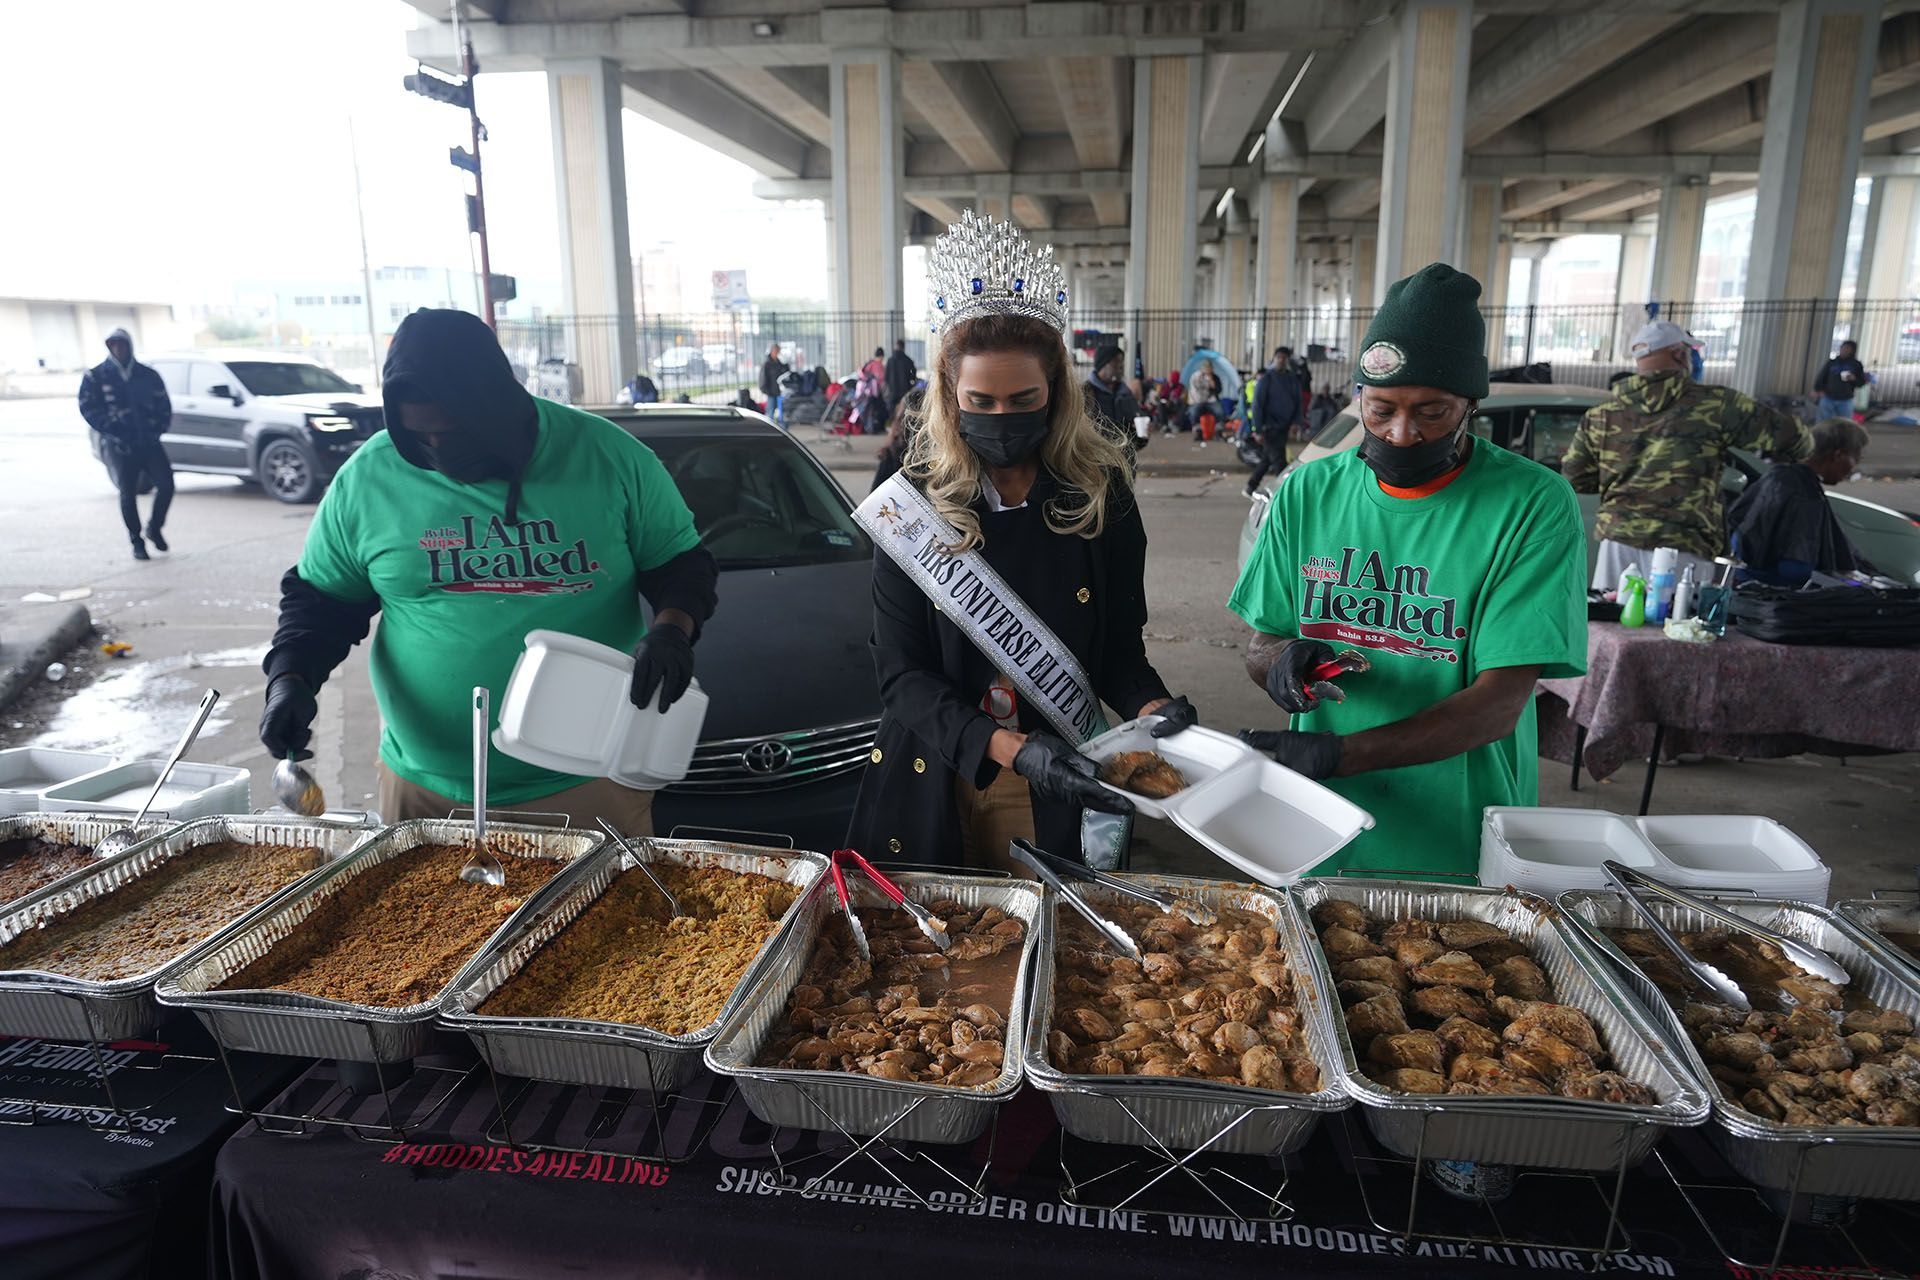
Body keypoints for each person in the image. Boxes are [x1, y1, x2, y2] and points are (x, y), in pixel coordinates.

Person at [257, 309, 719, 832]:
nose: (438, 451)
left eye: (454, 433)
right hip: (425, 787)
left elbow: (681, 563)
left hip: (588, 779)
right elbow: (320, 605)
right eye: (418, 436)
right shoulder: (368, 479)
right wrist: (291, 678)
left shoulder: (608, 457)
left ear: (501, 406)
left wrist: (672, 630)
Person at [847, 212, 1196, 873]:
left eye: (1022, 399)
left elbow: (1120, 651)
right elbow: (902, 677)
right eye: (981, 400)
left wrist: (1153, 707)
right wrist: (1007, 747)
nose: (1001, 418)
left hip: (1060, 778)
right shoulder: (911, 503)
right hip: (941, 771)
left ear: (1056, 392)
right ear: (950, 397)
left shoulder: (1101, 494)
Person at [1229, 263, 1586, 880]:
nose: (1401, 432)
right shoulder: (1309, 492)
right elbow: (1261, 641)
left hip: (1457, 838)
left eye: (1433, 412)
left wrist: (1343, 754)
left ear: (1471, 405)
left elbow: (1498, 704)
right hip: (1319, 830)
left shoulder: (1531, 504)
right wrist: (1279, 662)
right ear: (1358, 398)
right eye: (1381, 408)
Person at [1562, 319, 1811, 591]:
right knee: (1676, 628)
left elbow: (1575, 477)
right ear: (1680, 354)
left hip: (1619, 541)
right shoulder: (1717, 404)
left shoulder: (1601, 414)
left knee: (1610, 624)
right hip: (1685, 543)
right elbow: (1794, 439)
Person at [1727, 418, 1871, 585]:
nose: (1853, 468)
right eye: (1856, 459)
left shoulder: (1777, 476)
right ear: (1838, 455)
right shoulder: (1805, 496)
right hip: (1773, 596)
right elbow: (1796, 570)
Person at [77, 328, 174, 560]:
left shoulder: (147, 375)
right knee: (127, 493)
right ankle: (136, 540)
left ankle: (155, 528)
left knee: (166, 485)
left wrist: (156, 429)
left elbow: (164, 405)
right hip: (119, 444)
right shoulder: (96, 376)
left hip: (148, 441)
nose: (119, 349)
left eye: (122, 344)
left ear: (129, 345)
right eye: (114, 344)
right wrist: (112, 428)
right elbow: (88, 408)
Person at [1245, 345, 1304, 495]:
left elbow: (1298, 402)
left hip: (1283, 426)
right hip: (1269, 427)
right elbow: (1257, 405)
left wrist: (1296, 423)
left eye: (1284, 358)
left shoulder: (1292, 380)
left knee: (1267, 459)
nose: (1281, 361)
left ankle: (1250, 486)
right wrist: (1257, 429)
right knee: (1279, 462)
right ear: (1274, 359)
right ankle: (1283, 492)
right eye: (1279, 358)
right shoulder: (1266, 379)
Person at [1082, 342, 1140, 439]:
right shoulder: (1085, 393)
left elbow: (1135, 435)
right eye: (1116, 363)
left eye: (1122, 363)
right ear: (1103, 365)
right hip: (1096, 451)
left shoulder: (1125, 392)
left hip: (1121, 453)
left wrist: (1142, 435)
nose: (1120, 367)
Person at [1813, 340, 1870, 422]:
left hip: (1846, 400)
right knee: (1823, 422)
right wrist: (1818, 390)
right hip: (1828, 398)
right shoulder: (1832, 362)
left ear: (1852, 351)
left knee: (1844, 423)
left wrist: (1854, 378)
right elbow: (1822, 377)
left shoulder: (1856, 364)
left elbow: (1861, 382)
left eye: (1847, 349)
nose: (1844, 350)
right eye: (1843, 348)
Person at [885, 338, 917, 411]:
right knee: (904, 413)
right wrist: (911, 385)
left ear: (895, 347)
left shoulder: (890, 361)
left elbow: (886, 378)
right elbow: (913, 376)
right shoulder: (908, 361)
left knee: (892, 415)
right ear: (903, 348)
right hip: (905, 392)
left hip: (892, 393)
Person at [758, 343, 789, 418]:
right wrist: (765, 390)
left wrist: (786, 364)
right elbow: (763, 378)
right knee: (770, 411)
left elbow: (784, 372)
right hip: (771, 391)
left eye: (778, 351)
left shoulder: (778, 362)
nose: (777, 353)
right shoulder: (767, 364)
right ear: (772, 351)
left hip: (778, 391)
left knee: (780, 410)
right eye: (776, 351)